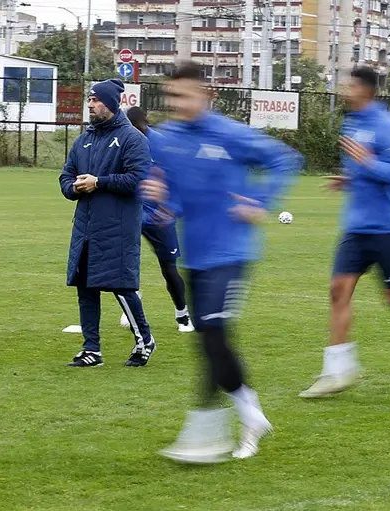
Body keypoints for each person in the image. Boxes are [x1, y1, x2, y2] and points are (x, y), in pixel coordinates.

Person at [141, 61, 302, 463]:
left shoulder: (230, 134)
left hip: (232, 251)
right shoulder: (166, 140)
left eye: (184, 95)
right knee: (210, 342)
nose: (176, 103)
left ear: (204, 94)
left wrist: (260, 201)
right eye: (171, 95)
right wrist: (163, 202)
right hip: (196, 254)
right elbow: (178, 199)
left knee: (213, 331)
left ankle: (205, 434)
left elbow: (285, 159)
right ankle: (250, 417)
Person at [299, 66, 390, 398]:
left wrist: (369, 164)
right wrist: (350, 179)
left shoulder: (385, 125)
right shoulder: (351, 124)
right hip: (357, 226)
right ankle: (336, 372)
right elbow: (364, 170)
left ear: (365, 90)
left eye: (350, 86)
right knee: (338, 290)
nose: (344, 90)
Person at [60, 79, 156, 368]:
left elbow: (138, 179)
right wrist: (73, 187)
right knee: (85, 287)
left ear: (111, 104)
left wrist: (99, 182)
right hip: (86, 227)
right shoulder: (83, 140)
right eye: (89, 99)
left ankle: (145, 340)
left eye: (95, 100)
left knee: (121, 286)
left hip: (117, 227)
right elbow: (66, 176)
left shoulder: (132, 139)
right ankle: (92, 349)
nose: (89, 104)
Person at [120, 106, 193, 334]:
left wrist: (171, 208)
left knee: (169, 268)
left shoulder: (162, 144)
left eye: (138, 128)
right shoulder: (123, 142)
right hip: (130, 214)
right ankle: (132, 307)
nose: (135, 133)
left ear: (145, 122)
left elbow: (181, 180)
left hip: (159, 217)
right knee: (125, 265)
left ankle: (182, 315)